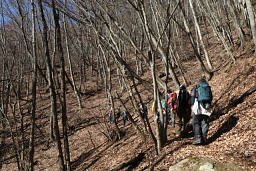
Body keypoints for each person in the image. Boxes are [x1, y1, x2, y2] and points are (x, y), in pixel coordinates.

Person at [191, 78, 213, 145]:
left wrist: (192, 105)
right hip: (207, 108)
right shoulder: (208, 87)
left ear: (199, 82)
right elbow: (211, 97)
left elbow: (192, 97)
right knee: (205, 123)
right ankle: (204, 138)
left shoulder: (197, 87)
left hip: (198, 108)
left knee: (196, 123)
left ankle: (198, 139)